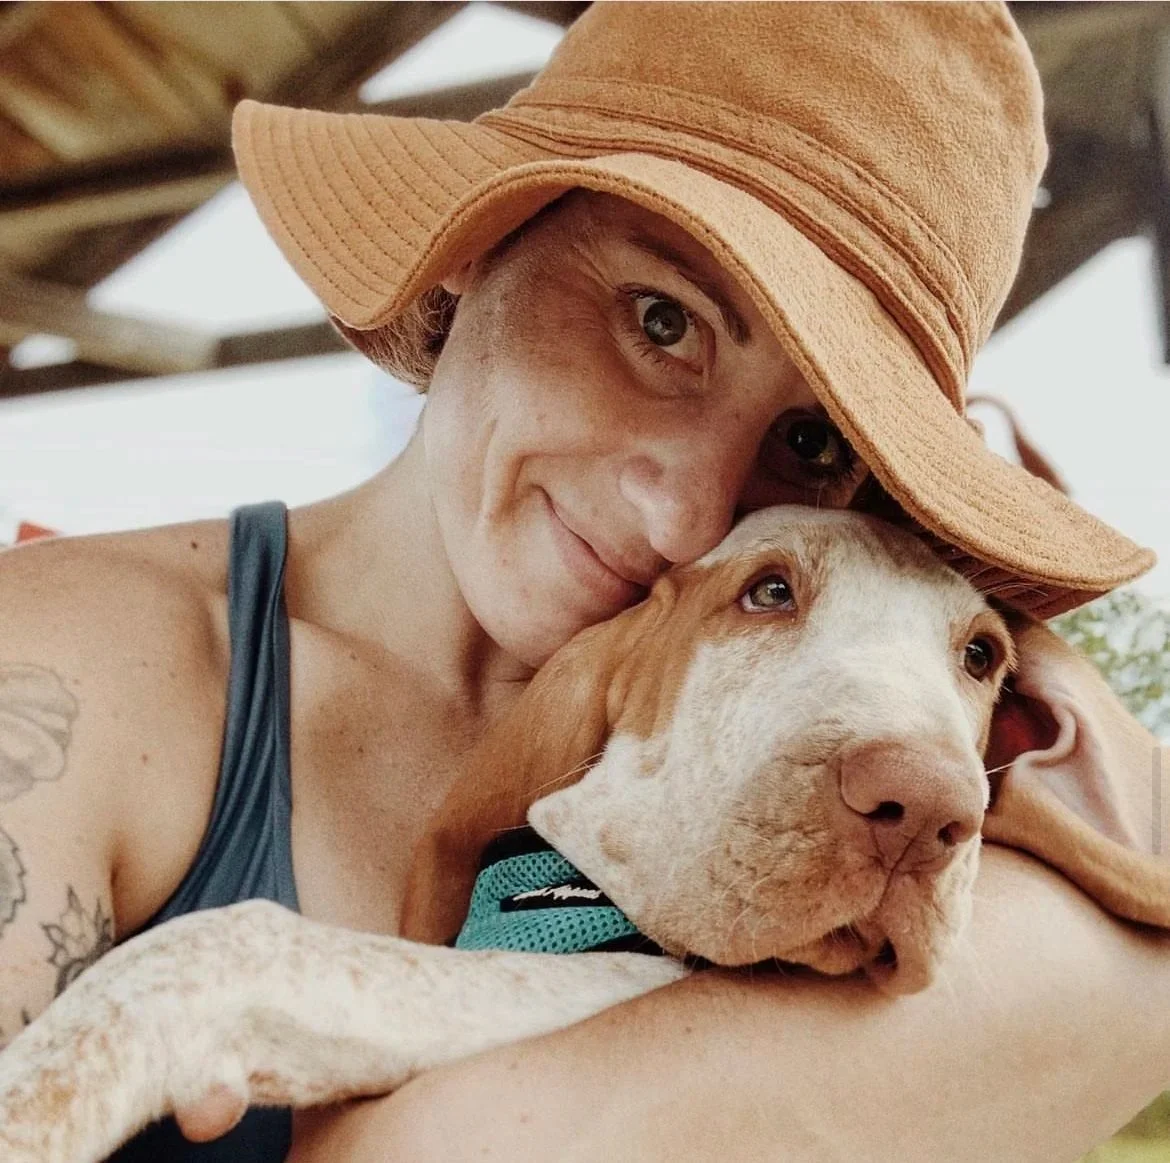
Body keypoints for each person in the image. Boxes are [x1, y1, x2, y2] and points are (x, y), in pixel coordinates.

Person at [1, 4, 1167, 1161]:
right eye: (662, 321)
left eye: (812, 445)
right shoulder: (70, 670)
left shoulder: (862, 783)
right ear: (474, 242)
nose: (692, 511)